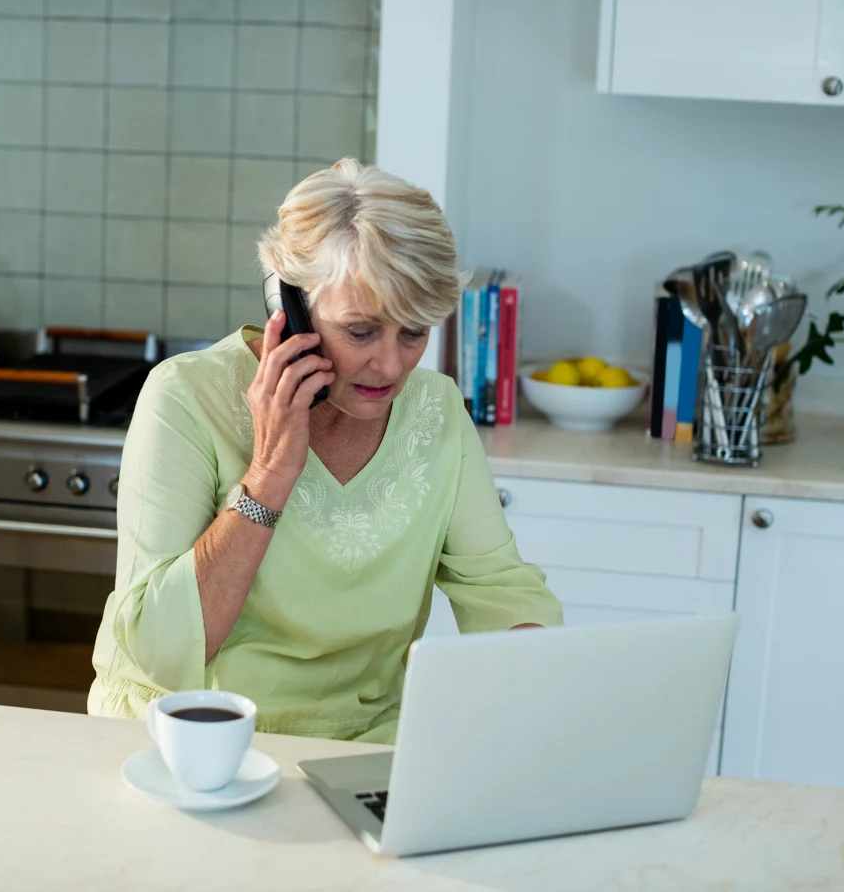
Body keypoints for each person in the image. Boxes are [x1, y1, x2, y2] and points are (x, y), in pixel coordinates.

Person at [88, 158, 561, 744]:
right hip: (190, 735)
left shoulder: (435, 409)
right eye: (360, 331)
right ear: (289, 306)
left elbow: (500, 587)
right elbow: (157, 650)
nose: (390, 366)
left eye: (413, 332)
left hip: (365, 741)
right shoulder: (185, 397)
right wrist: (269, 475)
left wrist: (533, 678)